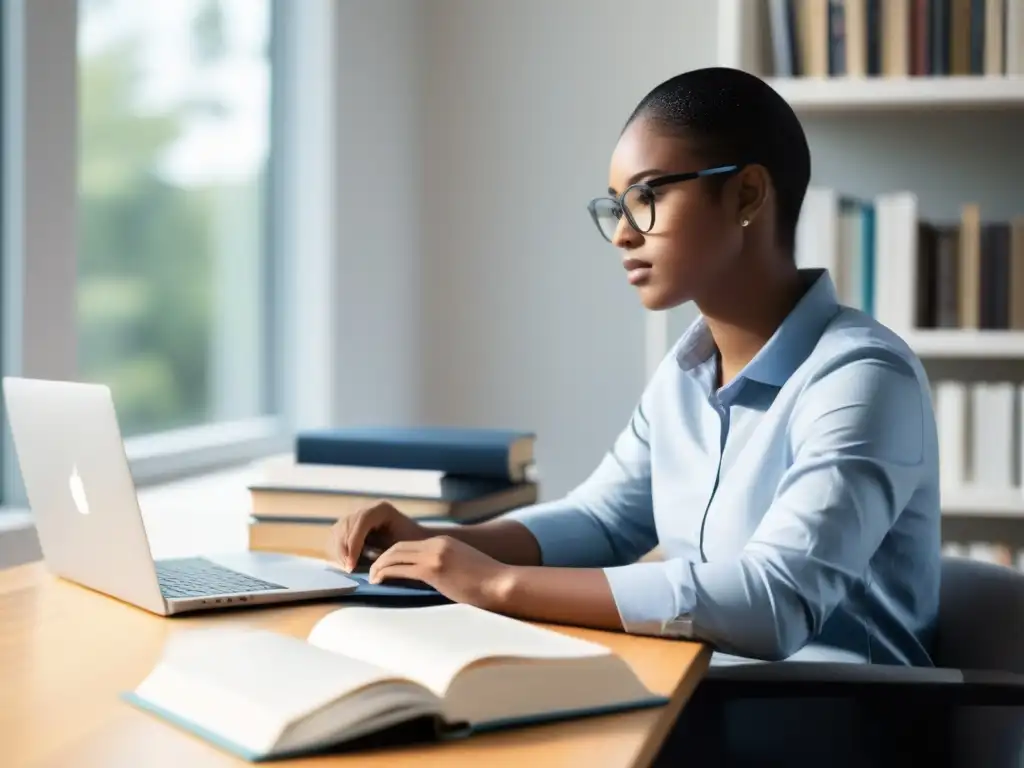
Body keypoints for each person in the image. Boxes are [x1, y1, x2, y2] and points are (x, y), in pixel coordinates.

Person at [328, 67, 942, 765]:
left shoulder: (863, 379)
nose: (622, 233)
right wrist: (447, 543)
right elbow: (604, 520)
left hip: (837, 721)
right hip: (699, 691)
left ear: (746, 194)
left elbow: (773, 604)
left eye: (647, 198)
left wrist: (496, 586)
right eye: (614, 206)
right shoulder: (686, 373)